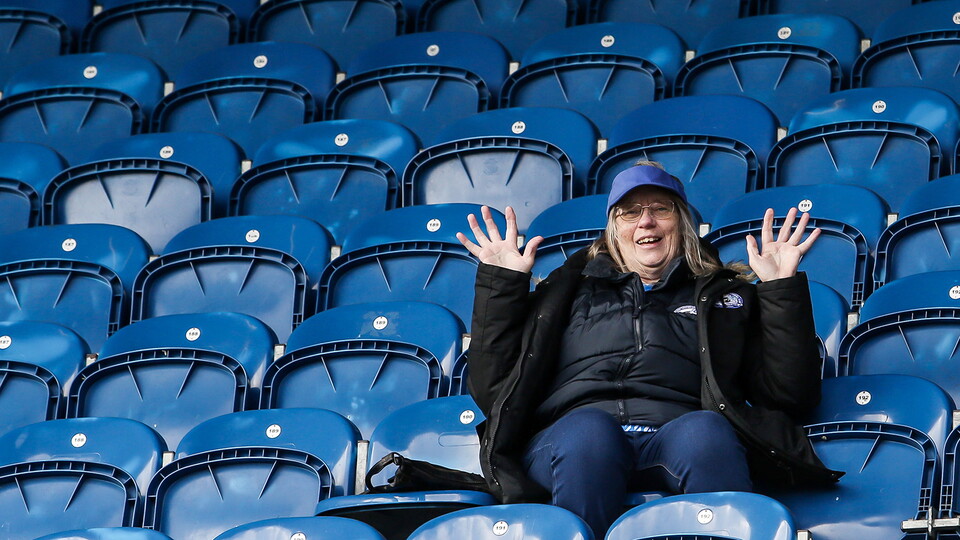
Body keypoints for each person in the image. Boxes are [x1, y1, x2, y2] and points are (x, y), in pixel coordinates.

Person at [456, 162, 843, 537]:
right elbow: (493, 390)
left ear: (682, 222)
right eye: (630, 212)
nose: (646, 221)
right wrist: (502, 286)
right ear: (613, 229)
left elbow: (791, 396)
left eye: (661, 209)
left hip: (674, 434)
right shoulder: (564, 292)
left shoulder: (726, 298)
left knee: (706, 431)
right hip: (570, 443)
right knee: (590, 431)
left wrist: (779, 289)